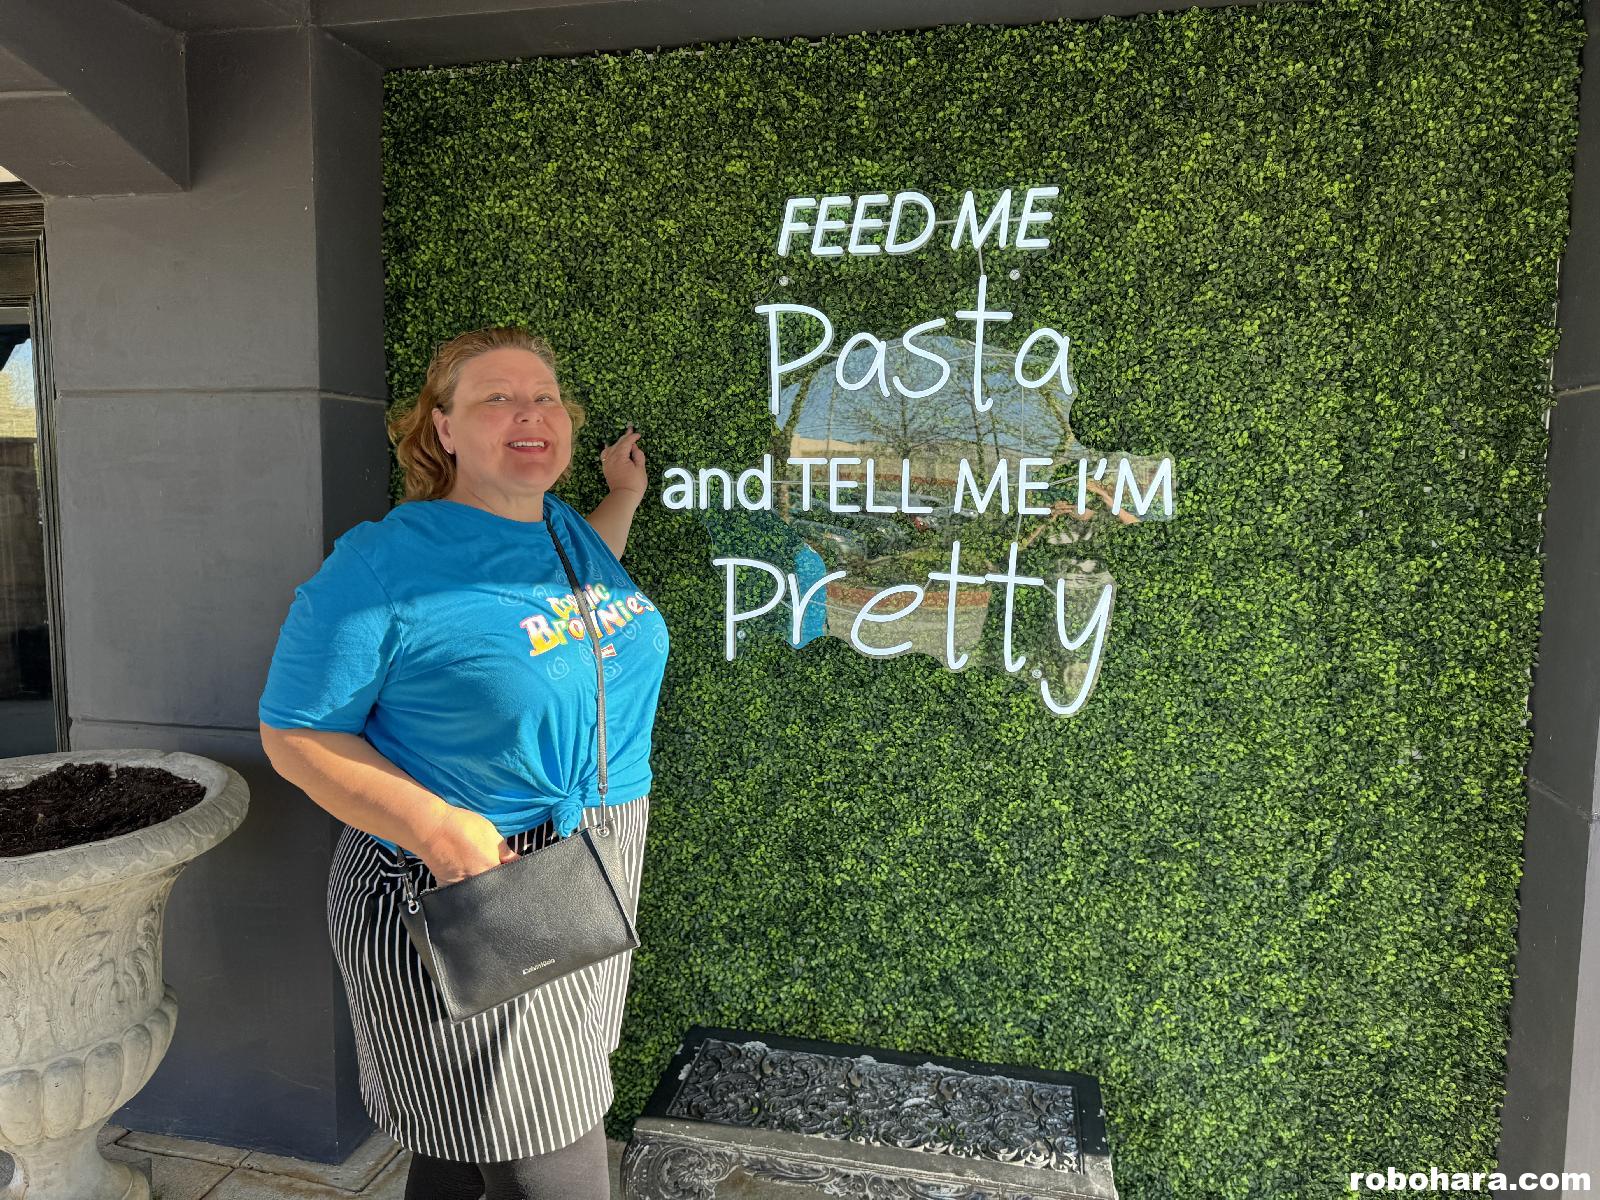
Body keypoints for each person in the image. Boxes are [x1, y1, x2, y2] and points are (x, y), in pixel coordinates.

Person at [257, 325, 669, 1199]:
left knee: (466, 1143)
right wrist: (443, 834)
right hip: (467, 879)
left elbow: (581, 603)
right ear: (442, 428)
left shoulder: (561, 528)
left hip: (592, 860)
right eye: (497, 398)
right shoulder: (384, 563)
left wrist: (622, 497)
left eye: (545, 397)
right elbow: (294, 732)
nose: (530, 413)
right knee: (545, 1142)